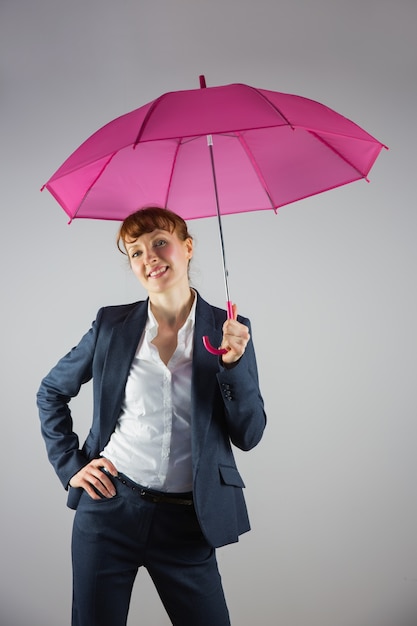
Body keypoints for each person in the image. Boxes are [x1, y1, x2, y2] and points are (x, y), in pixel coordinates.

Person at [37, 206, 266, 626]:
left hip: (187, 521)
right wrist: (71, 466)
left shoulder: (230, 329)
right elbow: (51, 391)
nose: (149, 258)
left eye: (160, 243)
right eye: (135, 252)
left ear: (188, 247)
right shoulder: (112, 325)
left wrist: (232, 365)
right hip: (109, 510)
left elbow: (249, 434)